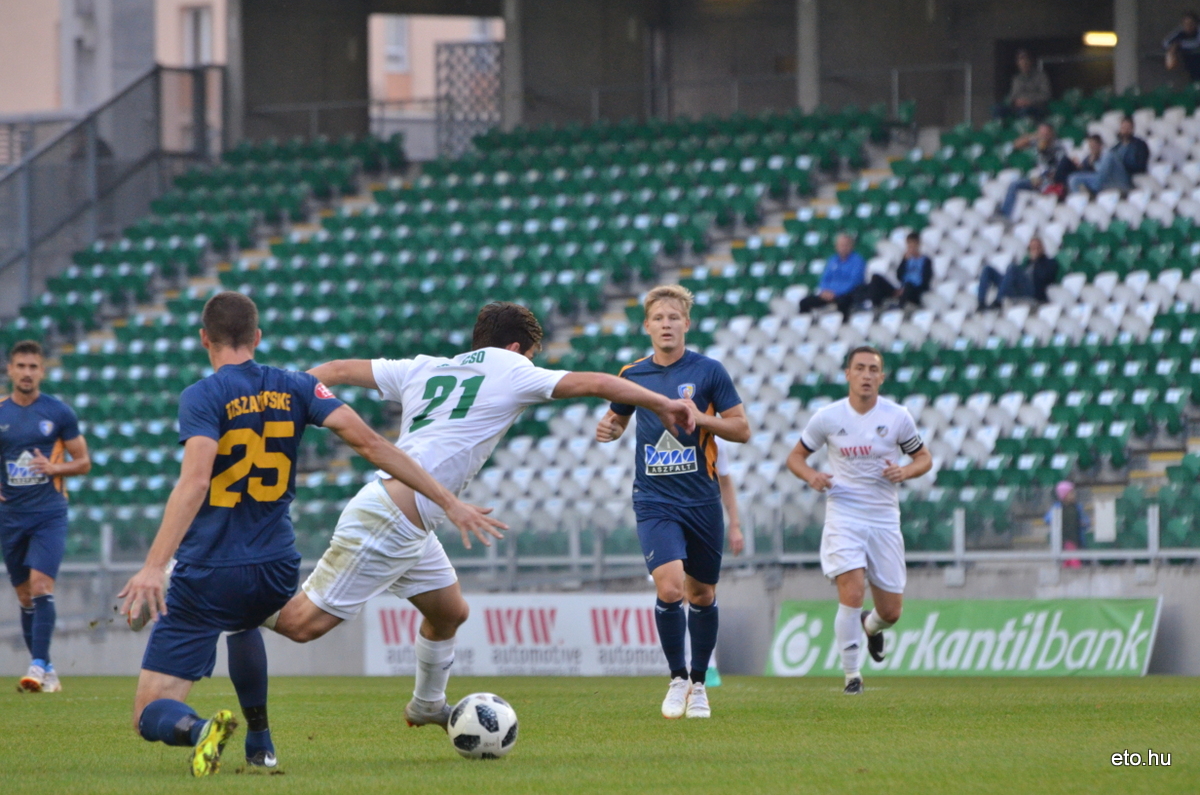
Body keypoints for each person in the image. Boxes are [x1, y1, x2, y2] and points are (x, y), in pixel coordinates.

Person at [117, 292, 504, 777]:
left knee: (147, 714)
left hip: (209, 568)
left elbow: (195, 481)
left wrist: (154, 567)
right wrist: (447, 500)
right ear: (257, 338)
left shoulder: (202, 395)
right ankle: (261, 743)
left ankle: (198, 731)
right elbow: (372, 444)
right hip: (276, 567)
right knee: (246, 619)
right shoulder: (298, 387)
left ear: (204, 340)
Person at [265, 301, 695, 730]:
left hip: (410, 520)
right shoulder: (511, 367)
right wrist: (661, 403)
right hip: (390, 519)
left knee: (449, 612)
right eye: (530, 354)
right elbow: (598, 382)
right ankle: (221, 595)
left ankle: (427, 705)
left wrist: (272, 403)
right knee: (299, 625)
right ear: (514, 347)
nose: (530, 364)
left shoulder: (425, 368)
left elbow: (337, 369)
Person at [596, 285, 749, 719]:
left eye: (673, 317)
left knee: (702, 594)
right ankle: (677, 677)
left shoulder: (709, 371)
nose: (666, 324)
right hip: (654, 500)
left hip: (701, 499)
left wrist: (696, 416)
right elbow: (616, 420)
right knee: (670, 587)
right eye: (658, 318)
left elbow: (742, 429)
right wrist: (609, 430)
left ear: (687, 323)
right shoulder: (632, 375)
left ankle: (700, 686)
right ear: (646, 326)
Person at [785, 346, 931, 695]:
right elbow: (795, 457)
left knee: (891, 612)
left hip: (883, 519)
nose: (866, 375)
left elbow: (924, 457)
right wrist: (811, 476)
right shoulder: (828, 417)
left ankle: (871, 626)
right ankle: (852, 676)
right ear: (848, 374)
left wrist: (905, 470)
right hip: (844, 514)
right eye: (860, 368)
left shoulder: (898, 417)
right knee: (851, 590)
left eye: (873, 369)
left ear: (881, 377)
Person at [1, 340, 91, 694]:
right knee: (24, 596)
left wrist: (54, 467)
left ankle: (36, 667)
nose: (26, 373)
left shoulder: (58, 413)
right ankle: (48, 668)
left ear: (42, 370)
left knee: (41, 586)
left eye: (33, 367)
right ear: (10, 370)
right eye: (20, 366)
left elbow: (84, 462)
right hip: (11, 516)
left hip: (48, 513)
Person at [1000, 123, 1072, 219]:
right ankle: (1005, 215)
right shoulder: (1038, 141)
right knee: (1014, 184)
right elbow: (1016, 145)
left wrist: (1042, 178)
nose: (1043, 136)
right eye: (1041, 133)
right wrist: (1032, 137)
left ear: (1051, 134)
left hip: (1050, 182)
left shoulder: (1058, 147)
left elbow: (1059, 170)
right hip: (1038, 178)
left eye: (1046, 133)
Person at [1066, 117, 1150, 195]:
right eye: (1123, 128)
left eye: (1128, 128)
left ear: (1132, 129)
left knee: (1109, 155)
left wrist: (1121, 163)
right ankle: (1083, 200)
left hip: (1125, 178)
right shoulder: (1116, 147)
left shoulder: (1139, 145)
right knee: (1073, 178)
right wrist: (1091, 162)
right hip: (1107, 179)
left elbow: (1141, 166)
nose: (1125, 130)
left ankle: (1095, 188)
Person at [977, 236, 1060, 311]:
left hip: (1032, 291)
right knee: (987, 269)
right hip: (1017, 289)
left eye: (1038, 247)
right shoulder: (1026, 263)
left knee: (1012, 268)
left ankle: (998, 301)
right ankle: (981, 303)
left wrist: (1036, 262)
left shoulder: (1050, 262)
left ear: (1042, 248)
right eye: (1033, 248)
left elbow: (1045, 277)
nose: (1036, 250)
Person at [798, 233, 867, 320]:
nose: (843, 248)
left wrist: (835, 293)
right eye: (841, 245)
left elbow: (854, 282)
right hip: (829, 294)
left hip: (847, 294)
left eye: (846, 245)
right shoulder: (832, 260)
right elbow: (825, 279)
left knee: (843, 302)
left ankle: (844, 325)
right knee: (804, 302)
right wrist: (825, 291)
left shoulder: (858, 261)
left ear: (851, 246)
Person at [864, 232, 933, 309]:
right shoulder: (906, 259)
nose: (911, 249)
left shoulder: (926, 261)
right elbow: (899, 276)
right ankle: (874, 306)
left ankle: (900, 307)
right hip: (902, 288)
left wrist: (906, 289)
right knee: (876, 277)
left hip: (915, 290)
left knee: (909, 286)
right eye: (909, 246)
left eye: (913, 246)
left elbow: (925, 281)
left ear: (918, 245)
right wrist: (904, 261)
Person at [994, 49, 1052, 120]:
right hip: (1018, 106)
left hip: (1035, 107)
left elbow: (1046, 95)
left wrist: (1029, 101)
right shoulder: (1016, 78)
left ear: (1031, 61)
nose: (1024, 62)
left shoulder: (1041, 76)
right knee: (997, 108)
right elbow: (1013, 95)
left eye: (1026, 59)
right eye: (1021, 59)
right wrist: (1015, 101)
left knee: (1025, 112)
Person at [1046, 480, 1090, 569]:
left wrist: (1084, 523)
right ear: (1064, 495)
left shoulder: (1077, 507)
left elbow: (1085, 521)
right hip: (1065, 540)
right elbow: (1047, 519)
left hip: (1077, 539)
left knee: (1071, 560)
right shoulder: (1057, 507)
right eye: (1071, 493)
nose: (1074, 495)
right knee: (1073, 561)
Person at [714, 438, 744, 557]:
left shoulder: (714, 438)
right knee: (670, 572)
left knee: (698, 574)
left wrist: (734, 526)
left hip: (701, 515)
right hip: (665, 511)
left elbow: (725, 482)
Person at [1164, 11, 1200, 82]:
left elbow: (1196, 44)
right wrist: (1174, 47)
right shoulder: (1180, 32)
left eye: (1191, 23)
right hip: (1190, 62)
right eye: (1185, 24)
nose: (1188, 26)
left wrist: (1181, 44)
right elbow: (1166, 42)